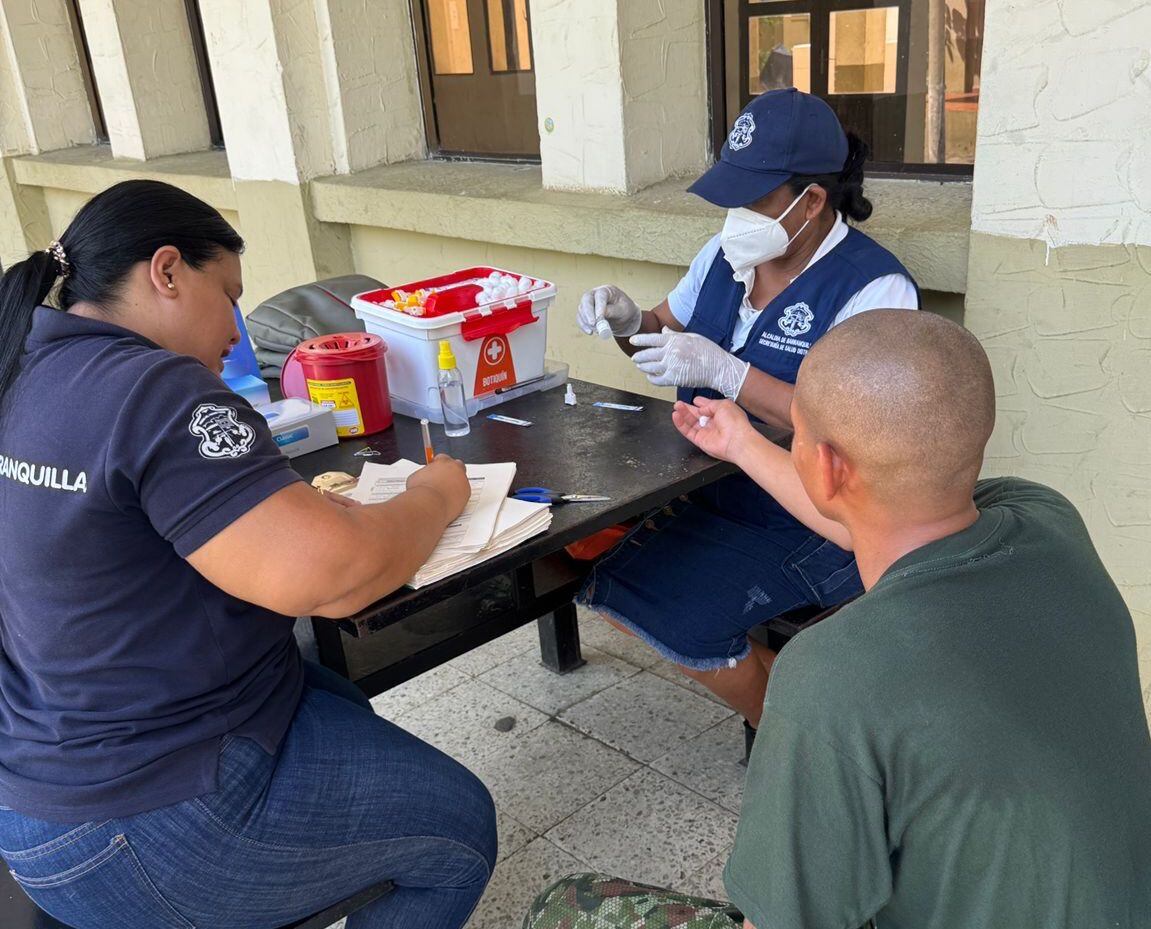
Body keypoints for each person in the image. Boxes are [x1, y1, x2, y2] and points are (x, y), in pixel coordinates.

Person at [526, 311, 1151, 929]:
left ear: (825, 466)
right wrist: (743, 443)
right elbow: (870, 519)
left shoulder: (834, 673)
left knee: (566, 905)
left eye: (794, 435)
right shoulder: (1046, 517)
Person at [0, 180, 497, 929]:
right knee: (461, 830)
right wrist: (437, 495)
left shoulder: (22, 364)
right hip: (145, 813)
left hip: (38, 792)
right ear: (166, 271)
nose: (237, 326)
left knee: (331, 694)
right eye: (228, 293)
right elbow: (337, 579)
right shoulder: (156, 387)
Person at [575, 88, 919, 741]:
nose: (735, 215)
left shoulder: (876, 289)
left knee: (674, 611)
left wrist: (729, 373)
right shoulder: (722, 258)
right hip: (706, 483)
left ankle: (796, 742)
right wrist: (626, 321)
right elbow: (662, 331)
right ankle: (801, 703)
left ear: (811, 201)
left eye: (751, 198)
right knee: (601, 576)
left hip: (812, 514)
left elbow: (855, 431)